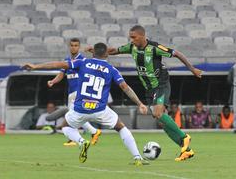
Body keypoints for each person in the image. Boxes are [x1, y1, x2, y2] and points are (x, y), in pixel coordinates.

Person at [87, 25, 202, 161]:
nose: (132, 40)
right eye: (131, 37)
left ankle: (184, 137)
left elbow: (176, 53)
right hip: (149, 89)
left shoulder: (154, 48)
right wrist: (97, 52)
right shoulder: (132, 47)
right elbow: (114, 51)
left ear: (142, 36)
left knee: (158, 113)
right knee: (161, 120)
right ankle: (186, 150)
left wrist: (192, 69)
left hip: (161, 84)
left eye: (134, 37)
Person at [23, 43, 149, 166]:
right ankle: (137, 157)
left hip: (80, 109)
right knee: (121, 127)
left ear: (93, 52)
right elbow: (125, 87)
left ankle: (81, 141)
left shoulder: (83, 62)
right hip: (100, 109)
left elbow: (58, 64)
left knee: (65, 127)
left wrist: (35, 66)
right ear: (106, 54)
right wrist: (140, 103)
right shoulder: (111, 69)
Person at [47, 38, 101, 146]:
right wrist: (53, 81)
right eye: (72, 45)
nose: (74, 47)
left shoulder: (82, 60)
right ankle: (93, 132)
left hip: (79, 93)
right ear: (69, 46)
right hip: (71, 93)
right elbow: (61, 74)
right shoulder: (67, 60)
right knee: (74, 116)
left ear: (79, 47)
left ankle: (78, 137)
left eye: (76, 45)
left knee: (72, 115)